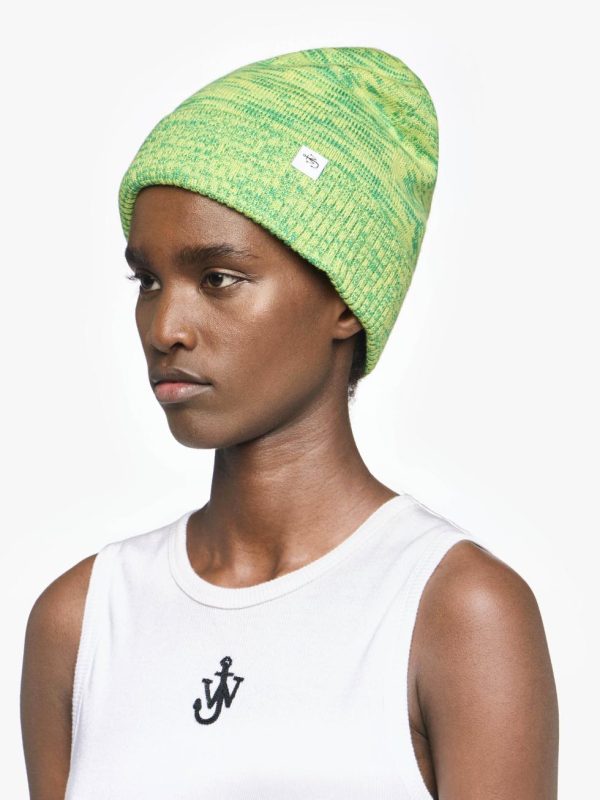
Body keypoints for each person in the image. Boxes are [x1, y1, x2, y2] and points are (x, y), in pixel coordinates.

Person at [20, 46, 559, 799]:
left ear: (345, 300)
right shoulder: (81, 621)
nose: (165, 327)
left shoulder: (453, 611)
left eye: (219, 278)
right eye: (148, 280)